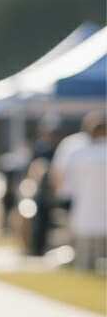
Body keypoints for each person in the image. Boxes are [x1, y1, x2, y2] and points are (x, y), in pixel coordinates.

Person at [59, 116, 107, 271]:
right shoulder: (78, 150)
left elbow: (66, 183)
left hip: (85, 208)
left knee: (87, 247)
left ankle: (85, 267)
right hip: (89, 207)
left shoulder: (79, 153)